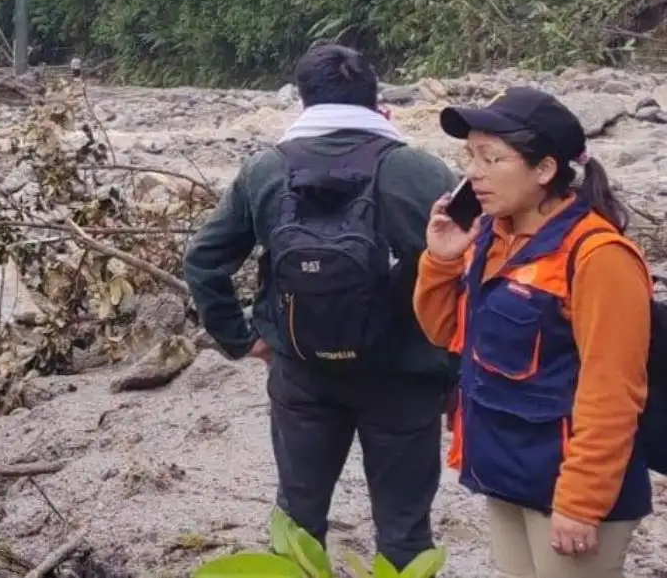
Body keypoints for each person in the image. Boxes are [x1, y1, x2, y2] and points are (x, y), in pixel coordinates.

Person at [184, 43, 457, 568]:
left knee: (298, 520)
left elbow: (203, 261)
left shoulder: (264, 169)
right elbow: (471, 272)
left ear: (303, 98)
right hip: (406, 377)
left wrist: (242, 339)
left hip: (302, 373)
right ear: (376, 99)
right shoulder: (422, 172)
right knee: (405, 531)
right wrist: (458, 371)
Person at [416, 87, 651, 576]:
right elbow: (445, 333)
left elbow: (613, 388)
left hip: (565, 486)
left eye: (490, 158)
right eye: (469, 158)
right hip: (506, 469)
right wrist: (441, 260)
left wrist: (582, 500)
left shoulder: (599, 256)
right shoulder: (491, 237)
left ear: (544, 170)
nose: (473, 174)